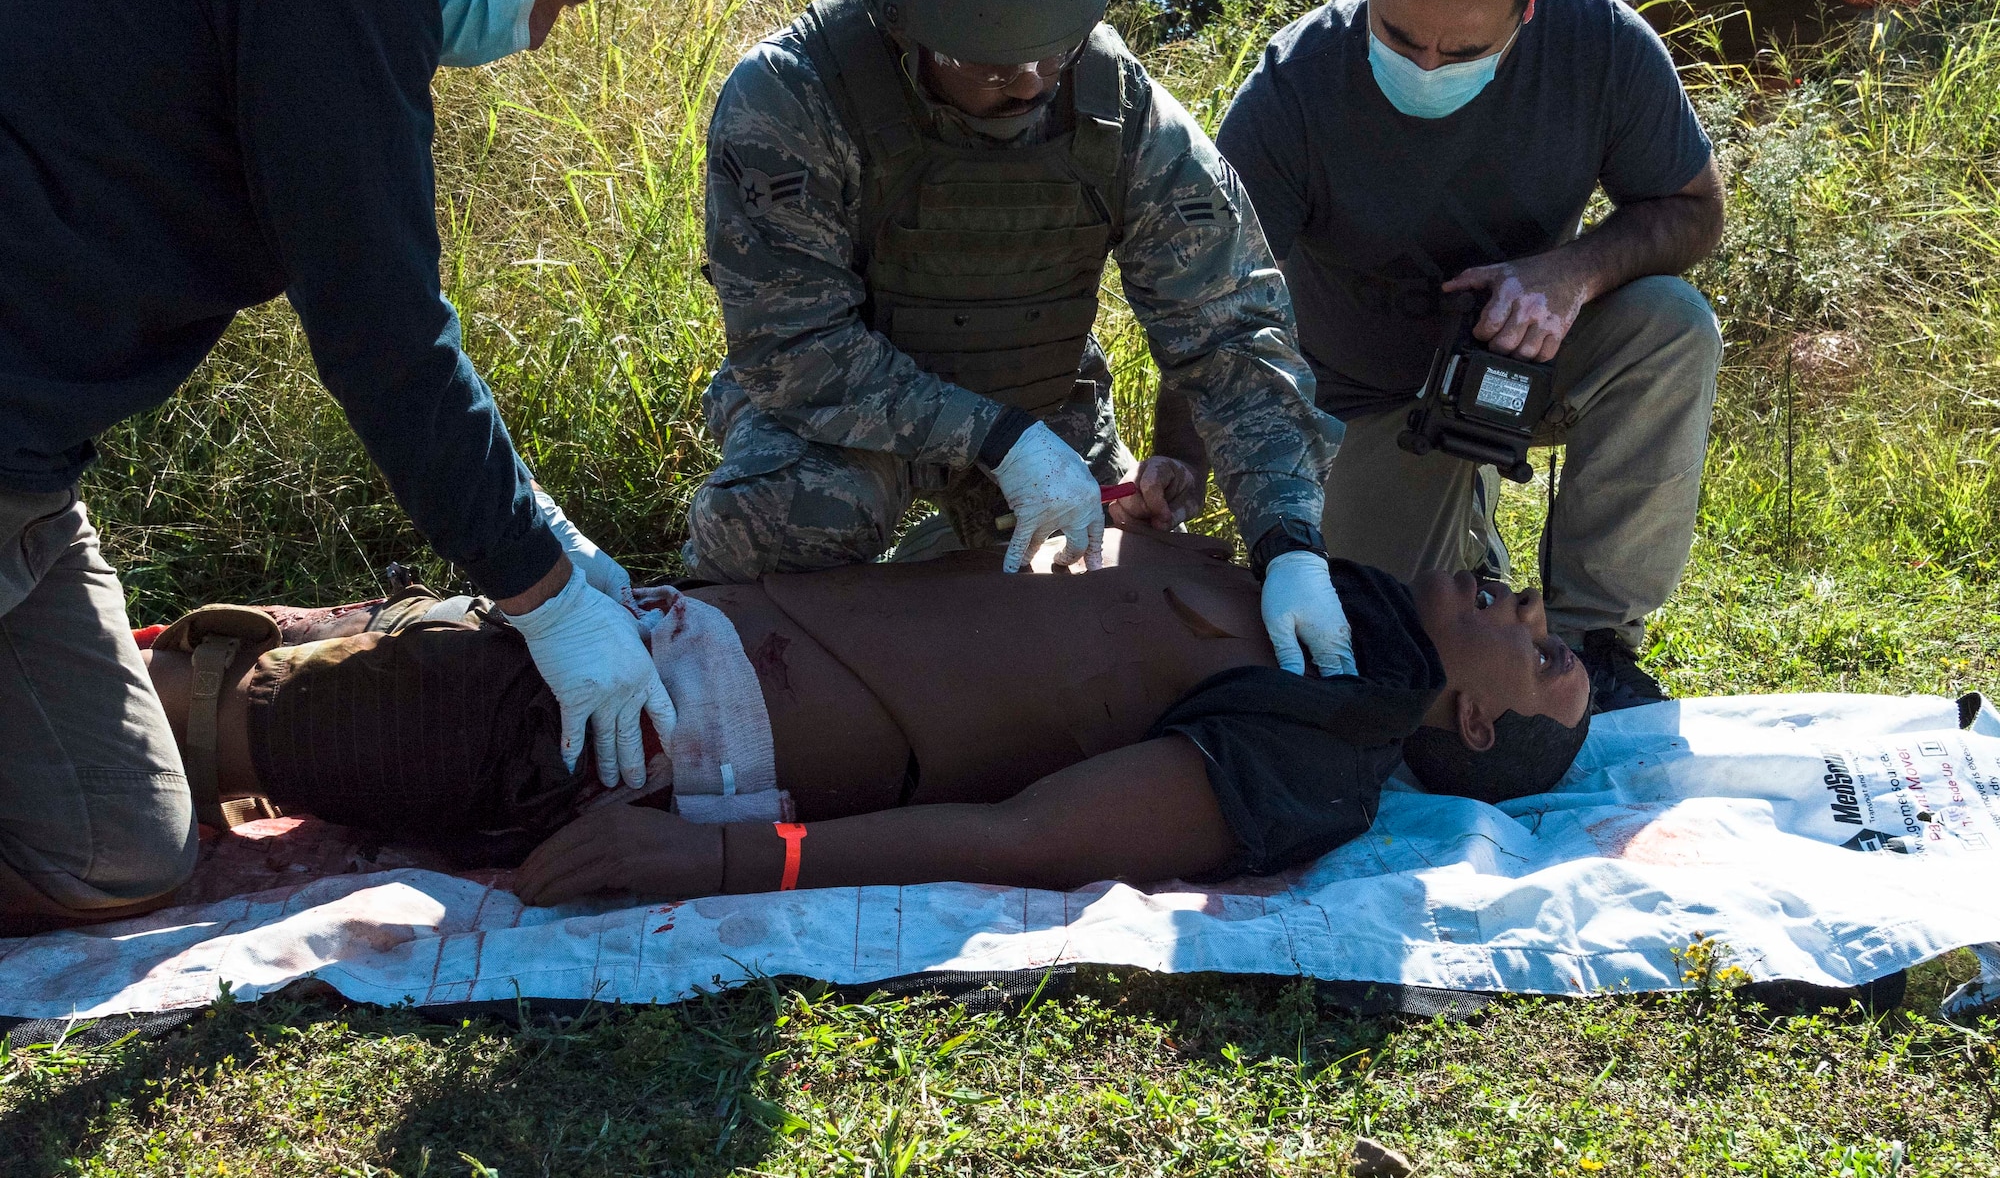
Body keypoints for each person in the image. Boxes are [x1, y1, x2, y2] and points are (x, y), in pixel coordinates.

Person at [0, 0, 676, 933]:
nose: (535, 32)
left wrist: (550, 533)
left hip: (29, 467)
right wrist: (547, 597)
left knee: (117, 853)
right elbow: (382, 335)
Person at [685, 0, 1349, 677]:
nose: (1032, 84)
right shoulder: (794, 98)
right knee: (795, 520)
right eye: (990, 66)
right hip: (841, 420)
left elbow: (1229, 329)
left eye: (1054, 53)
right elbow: (793, 351)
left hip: (1040, 393)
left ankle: (943, 592)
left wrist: (1289, 539)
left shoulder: (1117, 109)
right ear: (900, 25)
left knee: (1104, 606)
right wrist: (1000, 443)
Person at [136, 527, 1597, 902]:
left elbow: (1031, 841)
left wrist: (723, 865)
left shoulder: (1323, 751)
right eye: (1546, 616)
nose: (1524, 605)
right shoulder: (1296, 583)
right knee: (209, 650)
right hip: (633, 625)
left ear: (1473, 730)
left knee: (212, 719)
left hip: (635, 733)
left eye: (1542, 654)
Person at [1211, 0, 1726, 665]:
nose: (1425, 67)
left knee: (1672, 325)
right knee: (1386, 653)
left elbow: (1696, 210)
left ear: (1531, 2)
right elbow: (1212, 304)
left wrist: (1573, 273)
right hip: (1362, 408)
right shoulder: (1291, 89)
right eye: (1401, 36)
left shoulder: (1601, 45)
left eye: (1463, 52)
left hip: (1518, 370)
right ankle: (1463, 537)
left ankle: (1597, 643)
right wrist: (1174, 464)